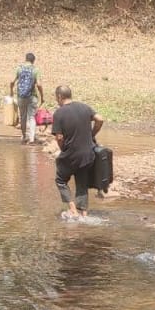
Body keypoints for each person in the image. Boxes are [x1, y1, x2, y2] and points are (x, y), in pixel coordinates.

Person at [51, 85, 103, 218]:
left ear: (59, 97)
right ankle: (84, 214)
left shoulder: (59, 113)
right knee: (82, 183)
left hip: (71, 154)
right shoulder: (84, 107)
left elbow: (59, 137)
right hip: (87, 154)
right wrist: (92, 134)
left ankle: (73, 210)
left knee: (61, 180)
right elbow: (100, 119)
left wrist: (63, 149)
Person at [10, 51, 44, 146]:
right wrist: (42, 96)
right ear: (33, 61)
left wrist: (11, 92)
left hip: (21, 96)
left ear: (25, 59)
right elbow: (39, 85)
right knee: (31, 117)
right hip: (32, 96)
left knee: (23, 117)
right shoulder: (35, 70)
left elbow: (12, 81)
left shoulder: (19, 69)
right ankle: (32, 139)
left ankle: (24, 136)